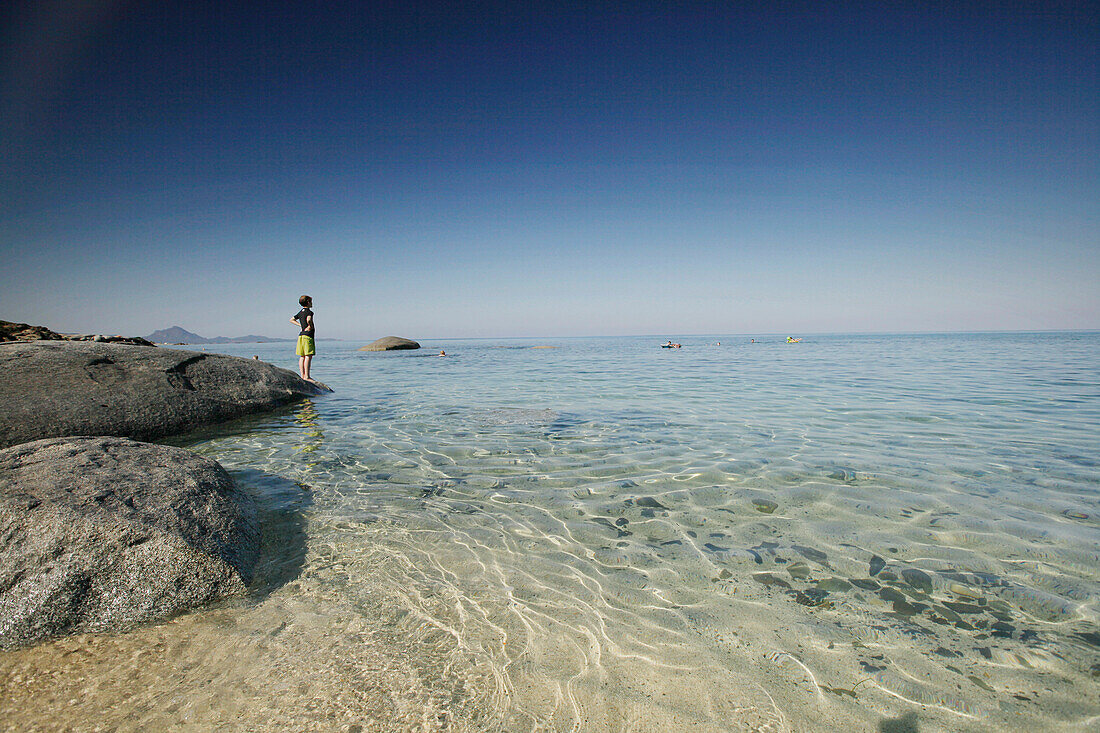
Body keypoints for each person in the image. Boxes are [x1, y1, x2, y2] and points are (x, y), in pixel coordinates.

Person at [290, 295, 315, 380]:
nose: (312, 303)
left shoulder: (300, 312)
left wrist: (300, 325)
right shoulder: (309, 312)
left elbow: (291, 319)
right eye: (311, 301)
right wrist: (310, 326)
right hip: (308, 336)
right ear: (308, 302)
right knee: (308, 356)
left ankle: (302, 375)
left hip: (301, 335)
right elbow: (309, 319)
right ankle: (307, 376)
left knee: (302, 356)